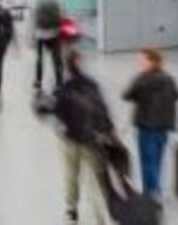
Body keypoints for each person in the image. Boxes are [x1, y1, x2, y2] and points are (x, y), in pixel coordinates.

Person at [54, 50, 115, 224]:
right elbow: (102, 110)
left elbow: (58, 115)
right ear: (80, 63)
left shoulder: (64, 88)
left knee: (72, 175)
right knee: (97, 178)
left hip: (71, 140)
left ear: (67, 66)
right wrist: (109, 132)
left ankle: (72, 210)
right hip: (92, 141)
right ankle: (102, 215)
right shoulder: (92, 85)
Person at [121, 47, 178, 201]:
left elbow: (126, 95)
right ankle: (154, 190)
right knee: (158, 161)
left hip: (146, 127)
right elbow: (177, 96)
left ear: (152, 61)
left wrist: (139, 80)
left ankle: (152, 193)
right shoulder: (169, 78)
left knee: (147, 161)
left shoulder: (142, 79)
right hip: (164, 127)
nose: (140, 62)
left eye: (142, 60)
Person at [32, 0, 65, 92]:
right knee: (56, 59)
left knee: (39, 59)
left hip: (40, 35)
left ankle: (38, 81)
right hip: (54, 33)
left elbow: (34, 21)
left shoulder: (36, 0)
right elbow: (61, 14)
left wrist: (32, 37)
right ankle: (59, 82)